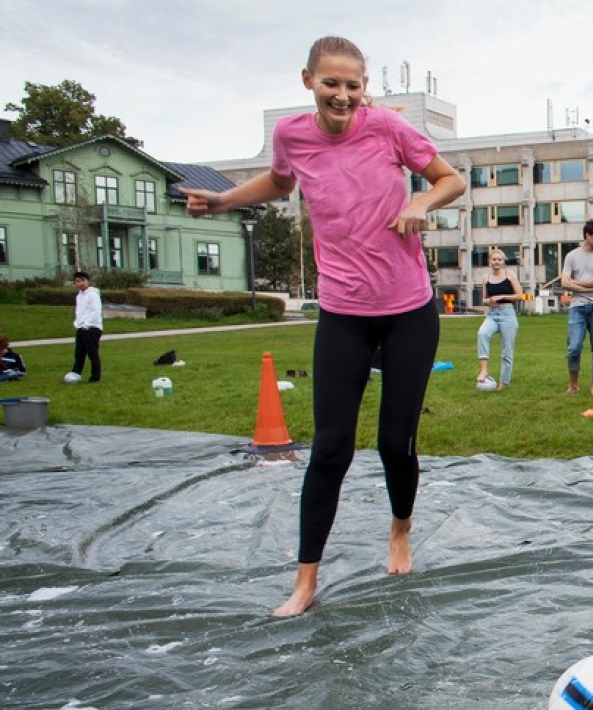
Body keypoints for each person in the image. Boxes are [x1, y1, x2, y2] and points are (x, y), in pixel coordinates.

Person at [182, 36, 466, 615]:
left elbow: (450, 180)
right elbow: (281, 183)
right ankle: (305, 582)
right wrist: (223, 201)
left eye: (353, 85)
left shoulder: (388, 128)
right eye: (330, 83)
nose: (342, 95)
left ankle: (400, 528)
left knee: (395, 443)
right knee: (330, 448)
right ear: (308, 80)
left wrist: (420, 205)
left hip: (409, 309)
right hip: (343, 312)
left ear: (365, 89)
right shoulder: (291, 135)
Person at [562, 221, 593, 396]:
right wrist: (586, 287)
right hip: (577, 307)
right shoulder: (571, 256)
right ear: (587, 236)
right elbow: (564, 282)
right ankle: (573, 385)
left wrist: (574, 283)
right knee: (573, 347)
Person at [475, 248, 521, 389]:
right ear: (489, 261)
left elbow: (520, 295)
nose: (497, 262)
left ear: (503, 262)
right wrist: (488, 301)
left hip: (507, 315)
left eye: (499, 260)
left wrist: (502, 297)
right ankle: (483, 370)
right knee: (482, 333)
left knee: (507, 351)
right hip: (492, 314)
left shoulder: (510, 275)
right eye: (494, 259)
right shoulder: (486, 278)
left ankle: (504, 383)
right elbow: (484, 299)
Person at [70, 271, 103, 382]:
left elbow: (96, 311)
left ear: (88, 281)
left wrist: (87, 324)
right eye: (78, 281)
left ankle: (95, 376)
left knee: (92, 353)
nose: (81, 283)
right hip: (81, 327)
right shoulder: (79, 296)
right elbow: (79, 311)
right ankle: (75, 373)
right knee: (79, 353)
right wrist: (77, 323)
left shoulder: (93, 294)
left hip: (92, 328)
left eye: (83, 280)